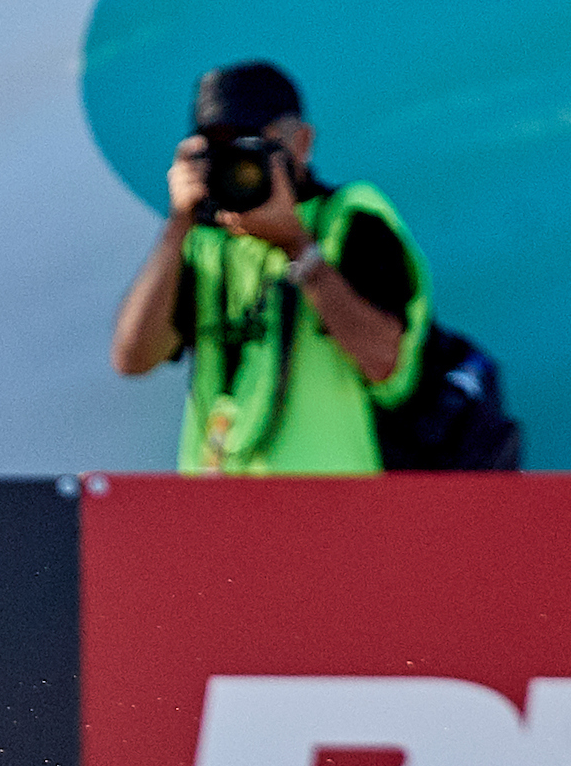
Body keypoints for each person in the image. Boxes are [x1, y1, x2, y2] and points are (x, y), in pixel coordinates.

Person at [111, 60, 432, 474]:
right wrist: (177, 227)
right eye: (219, 149)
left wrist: (299, 248)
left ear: (302, 142)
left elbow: (387, 363)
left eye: (252, 147)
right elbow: (133, 358)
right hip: (218, 503)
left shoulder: (349, 218)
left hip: (334, 501)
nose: (239, 166)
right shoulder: (203, 241)